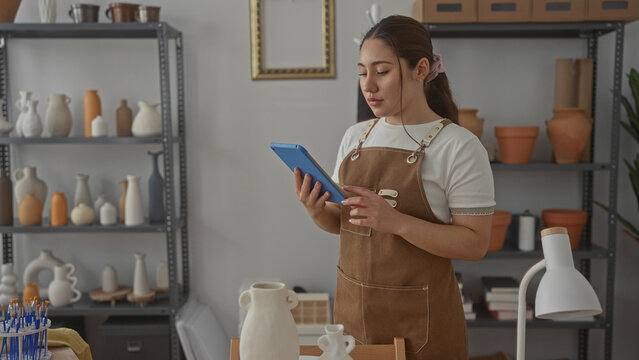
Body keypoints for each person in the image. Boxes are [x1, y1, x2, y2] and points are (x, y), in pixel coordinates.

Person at [293, 15, 495, 359]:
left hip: (424, 331)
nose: (368, 85)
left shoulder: (458, 146)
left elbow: (475, 243)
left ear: (420, 69)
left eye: (382, 71)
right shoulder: (355, 137)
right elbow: (343, 225)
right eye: (362, 71)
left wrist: (397, 222)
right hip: (353, 325)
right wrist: (316, 210)